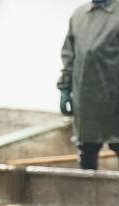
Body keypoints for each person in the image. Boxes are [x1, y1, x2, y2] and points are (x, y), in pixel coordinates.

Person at [58, 0, 119, 170]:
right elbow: (69, 56)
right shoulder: (78, 15)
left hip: (115, 100)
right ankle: (87, 192)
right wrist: (64, 88)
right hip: (86, 101)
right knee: (87, 149)